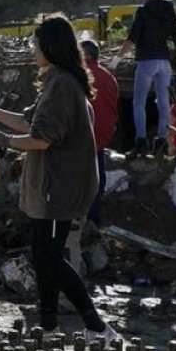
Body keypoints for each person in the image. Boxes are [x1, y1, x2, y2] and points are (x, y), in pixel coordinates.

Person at [0, 14, 117, 341]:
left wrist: (0, 139)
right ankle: (48, 325)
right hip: (52, 186)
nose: (33, 50)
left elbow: (42, 138)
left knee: (49, 257)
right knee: (43, 256)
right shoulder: (57, 81)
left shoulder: (63, 85)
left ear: (50, 46)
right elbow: (29, 123)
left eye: (35, 44)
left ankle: (96, 326)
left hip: (58, 187)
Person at [118, 0, 176, 157]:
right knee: (163, 103)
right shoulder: (169, 11)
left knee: (139, 102)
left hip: (147, 62)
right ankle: (162, 141)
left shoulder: (143, 11)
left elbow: (132, 39)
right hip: (164, 63)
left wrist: (117, 59)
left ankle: (141, 142)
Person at [81, 40, 118, 227]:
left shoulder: (78, 76)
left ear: (85, 55)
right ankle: (93, 221)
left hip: (80, 140)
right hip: (101, 138)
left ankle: (85, 222)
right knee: (98, 180)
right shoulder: (109, 78)